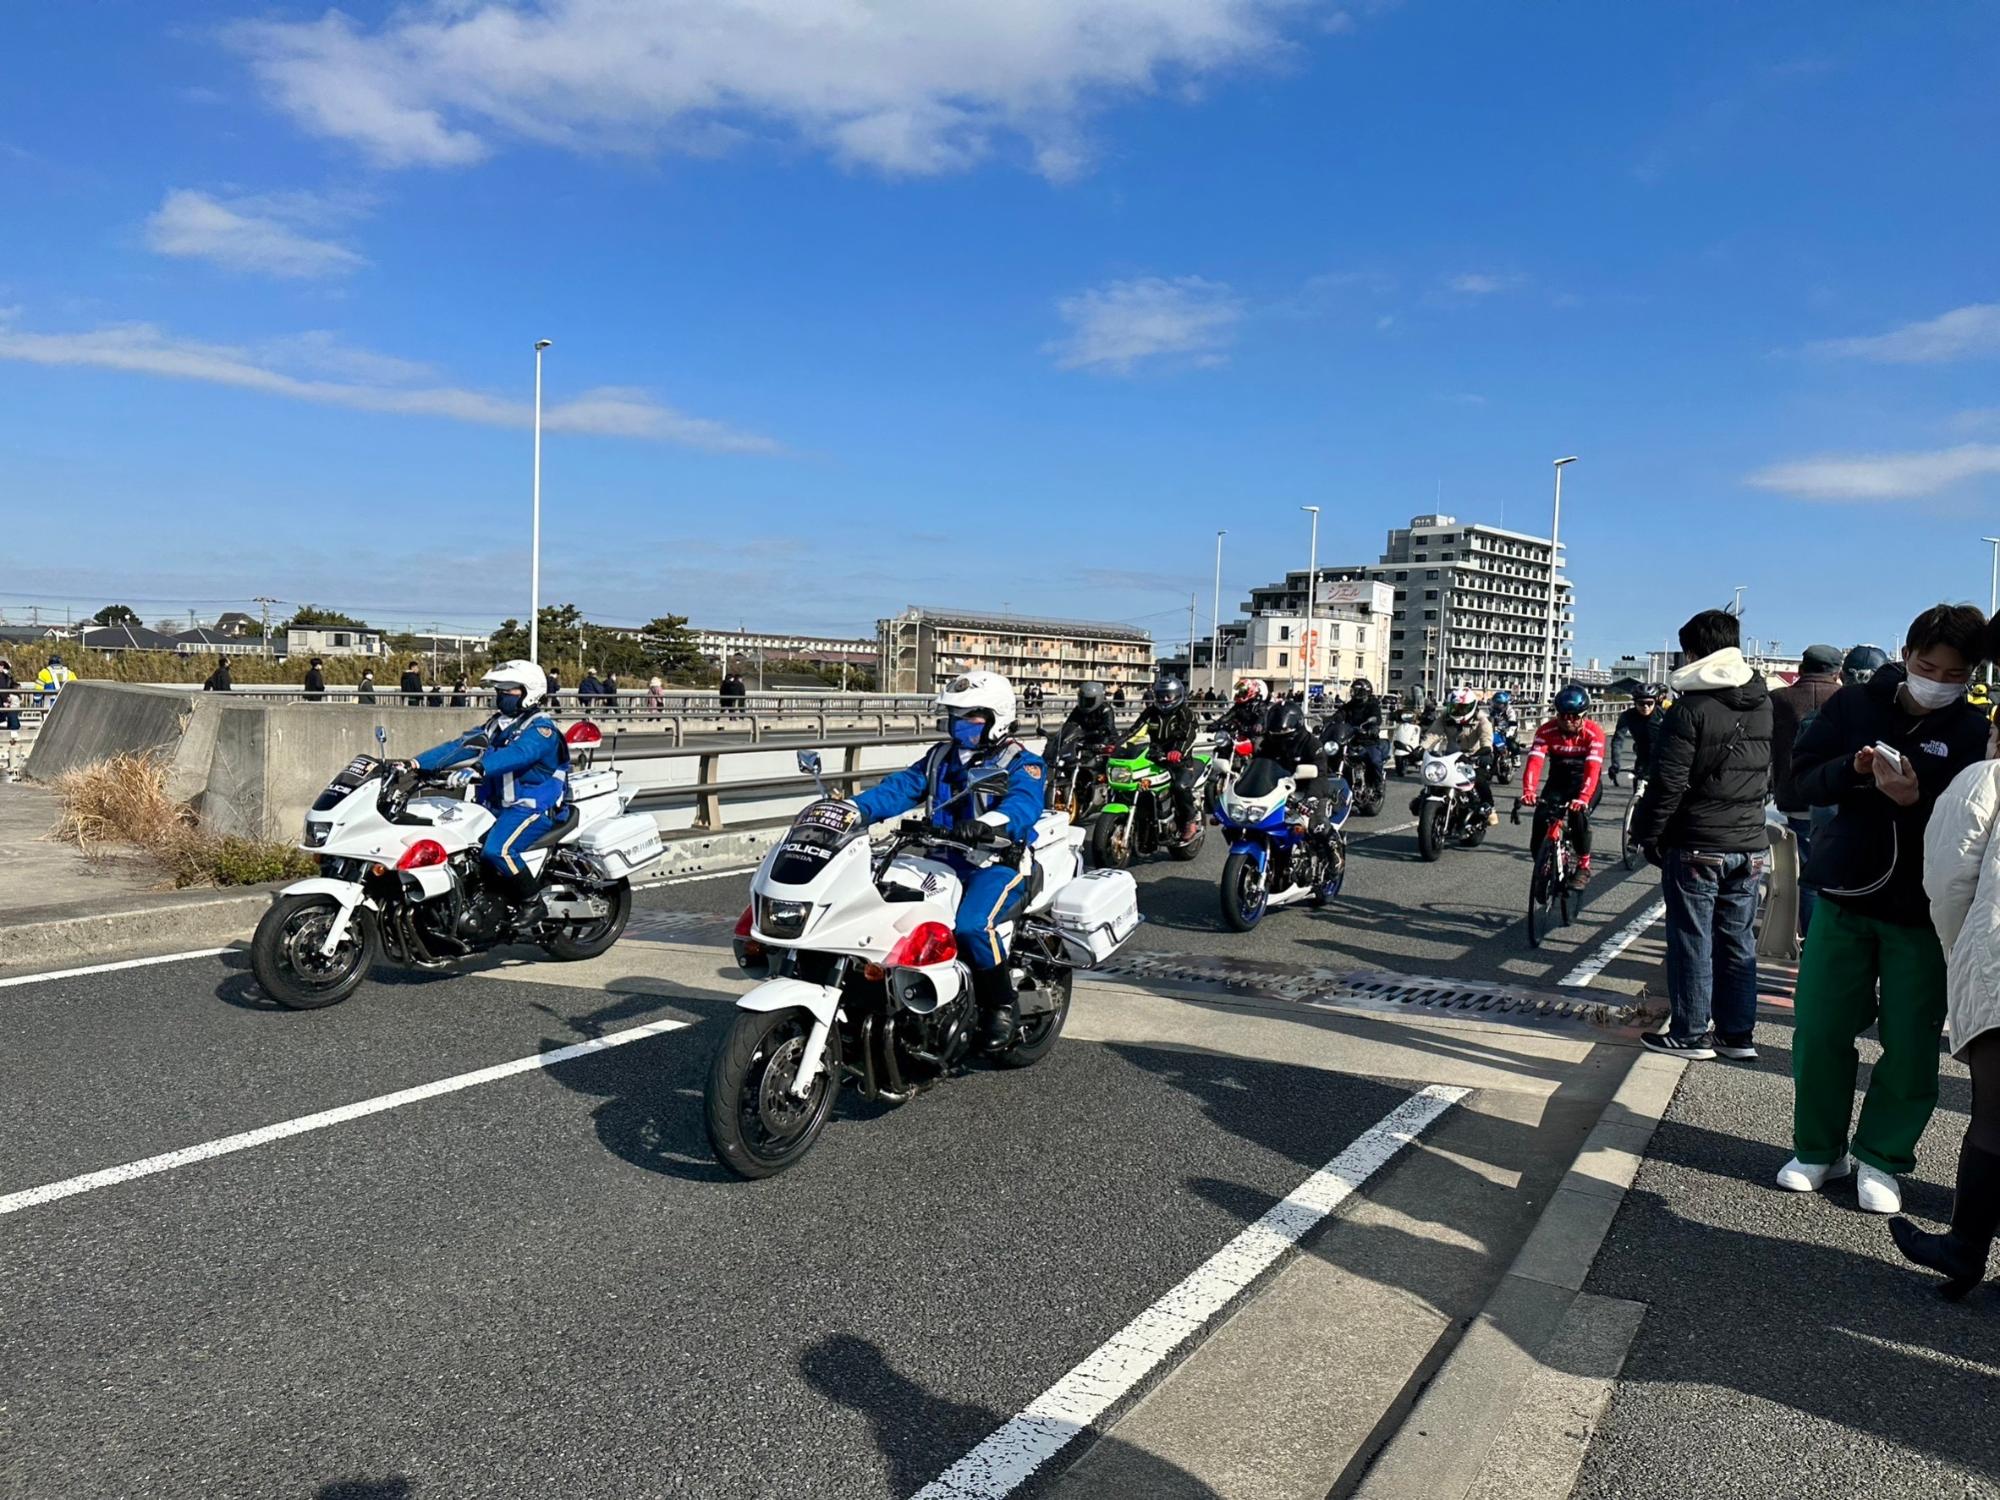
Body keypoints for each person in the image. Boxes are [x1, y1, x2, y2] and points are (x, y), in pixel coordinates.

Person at [1779, 603, 1992, 1214]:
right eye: (1929, 667)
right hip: (1845, 894)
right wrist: (1855, 768)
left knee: (1911, 1043)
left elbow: (1980, 820)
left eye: (1956, 674)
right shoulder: (1851, 706)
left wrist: (1916, 796)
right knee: (1819, 1029)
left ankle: (1882, 1157)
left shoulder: (1976, 732)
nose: (1940, 682)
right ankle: (1819, 1149)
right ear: (1905, 656)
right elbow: (1801, 780)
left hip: (1927, 912)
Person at [851, 670, 1046, 1048]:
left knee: (972, 926)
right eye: (955, 716)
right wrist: (850, 810)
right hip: (940, 860)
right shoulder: (940, 756)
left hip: (999, 862)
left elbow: (1024, 803)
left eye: (970, 716)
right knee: (883, 908)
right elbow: (900, 789)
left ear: (996, 717)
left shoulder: (1023, 762)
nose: (959, 724)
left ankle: (1001, 1005)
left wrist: (988, 824)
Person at [1894, 668, 2000, 1299]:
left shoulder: (1984, 780)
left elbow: (1948, 882)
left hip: (1997, 964)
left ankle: (1964, 1248)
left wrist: (1963, 952)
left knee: (1993, 1119)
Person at [1628, 610, 1774, 1061]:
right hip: (1749, 844)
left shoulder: (1689, 709)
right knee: (1737, 939)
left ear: (1693, 652)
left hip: (1697, 842)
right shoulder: (1763, 702)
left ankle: (1690, 1033)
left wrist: (1647, 834)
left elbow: (1668, 783)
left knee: (1692, 937)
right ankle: (1736, 1035)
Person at [409, 661, 569, 913]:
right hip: (495, 807)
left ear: (530, 691)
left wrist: (478, 768)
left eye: (508, 689)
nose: (501, 695)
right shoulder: (495, 726)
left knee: (498, 850)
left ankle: (532, 903)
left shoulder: (541, 729)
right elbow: (459, 746)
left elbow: (520, 753)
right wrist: (414, 763)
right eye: (499, 689)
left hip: (531, 808)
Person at [1770, 644, 1844, 934]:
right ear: (1838, 672)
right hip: (1836, 795)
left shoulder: (1779, 698)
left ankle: (1809, 934)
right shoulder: (1846, 699)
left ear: (1801, 669)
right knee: (1838, 866)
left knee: (1808, 866)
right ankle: (1827, 933)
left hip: (1794, 795)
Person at [1521, 684, 1608, 888]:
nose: (1568, 721)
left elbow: (1593, 768)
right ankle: (1545, 865)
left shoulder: (1594, 733)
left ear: (1584, 715)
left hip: (1585, 782)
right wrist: (1529, 791)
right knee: (1541, 821)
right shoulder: (1546, 730)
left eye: (1574, 717)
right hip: (1558, 781)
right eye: (1563, 716)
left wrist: (1584, 798)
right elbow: (1534, 762)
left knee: (1578, 816)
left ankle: (1584, 864)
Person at [1119, 674, 1201, 842]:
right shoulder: (1151, 713)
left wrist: (1179, 751)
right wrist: (1117, 744)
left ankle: (1189, 820)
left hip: (1180, 762)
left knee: (1179, 786)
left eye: (1168, 695)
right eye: (1160, 695)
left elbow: (1189, 735)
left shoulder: (1185, 713)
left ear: (1178, 695)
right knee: (1134, 783)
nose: (1164, 699)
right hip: (1155, 758)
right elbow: (1135, 730)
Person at [1422, 686, 1497, 822]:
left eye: (1462, 708)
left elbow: (1486, 739)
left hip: (1472, 757)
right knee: (1431, 783)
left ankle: (1490, 807)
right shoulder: (1445, 717)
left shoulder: (1482, 720)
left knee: (1480, 780)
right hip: (1450, 757)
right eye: (1455, 707)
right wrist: (1421, 749)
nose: (1458, 711)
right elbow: (1433, 734)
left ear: (1472, 707)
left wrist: (1485, 752)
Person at [1324, 676, 1387, 801]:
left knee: (1374, 760)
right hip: (1350, 739)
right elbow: (1339, 715)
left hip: (1367, 740)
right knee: (1332, 755)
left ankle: (1378, 785)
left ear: (1365, 692)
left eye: (1357, 691)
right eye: (1353, 690)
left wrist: (1373, 727)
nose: (1354, 693)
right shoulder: (1349, 706)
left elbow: (1376, 717)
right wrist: (1328, 722)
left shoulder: (1372, 705)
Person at [1607, 684, 1668, 787]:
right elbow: (1618, 740)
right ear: (1635, 703)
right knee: (1639, 784)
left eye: (1650, 703)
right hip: (1642, 754)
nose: (1646, 707)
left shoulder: (1664, 715)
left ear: (1655, 702)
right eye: (1641, 703)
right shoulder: (1628, 716)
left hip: (1662, 756)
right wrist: (1615, 764)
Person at [1055, 680, 1119, 756]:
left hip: (1106, 741)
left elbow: (1107, 728)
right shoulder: (1078, 709)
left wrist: (1093, 733)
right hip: (1087, 741)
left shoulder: (1105, 709)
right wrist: (1061, 736)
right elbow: (1070, 723)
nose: (1085, 703)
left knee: (1100, 761)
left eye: (1089, 701)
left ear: (1098, 699)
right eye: (1082, 700)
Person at [0, 659, 17, 733]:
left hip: (6, 702)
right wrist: (3, 702)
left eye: (2, 665)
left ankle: (13, 727)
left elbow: (12, 686)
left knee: (15, 724)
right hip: (3, 703)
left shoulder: (6, 677)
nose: (1, 667)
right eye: (0, 665)